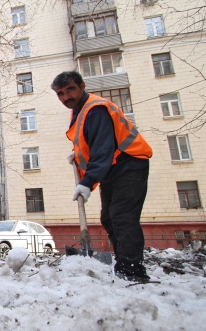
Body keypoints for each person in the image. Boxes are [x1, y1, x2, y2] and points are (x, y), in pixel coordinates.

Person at [51, 71, 153, 282]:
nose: (65, 97)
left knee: (123, 217)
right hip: (112, 169)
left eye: (70, 89)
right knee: (109, 217)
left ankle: (132, 271)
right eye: (60, 93)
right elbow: (89, 142)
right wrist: (78, 155)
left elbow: (103, 148)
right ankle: (123, 263)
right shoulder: (79, 110)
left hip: (129, 165)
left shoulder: (96, 109)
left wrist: (87, 181)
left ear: (82, 86)